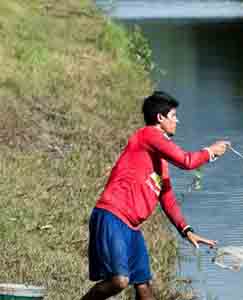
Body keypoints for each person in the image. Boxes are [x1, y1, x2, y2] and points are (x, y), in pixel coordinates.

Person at [81, 91, 229, 300]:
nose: (177, 120)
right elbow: (187, 161)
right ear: (160, 118)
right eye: (173, 116)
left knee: (144, 287)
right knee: (119, 281)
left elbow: (167, 198)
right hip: (112, 216)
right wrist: (210, 151)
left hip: (132, 228)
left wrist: (187, 231)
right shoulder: (148, 135)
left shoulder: (160, 161)